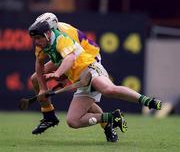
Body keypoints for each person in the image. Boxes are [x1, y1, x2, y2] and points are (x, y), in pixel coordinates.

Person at [28, 16, 161, 141]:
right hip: (79, 79)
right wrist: (44, 89)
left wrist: (57, 74)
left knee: (108, 90)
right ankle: (111, 118)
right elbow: (39, 63)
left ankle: (147, 101)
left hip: (90, 68)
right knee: (73, 121)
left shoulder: (62, 38)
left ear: (48, 32)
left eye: (39, 38)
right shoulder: (42, 45)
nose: (37, 42)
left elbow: (70, 58)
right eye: (35, 39)